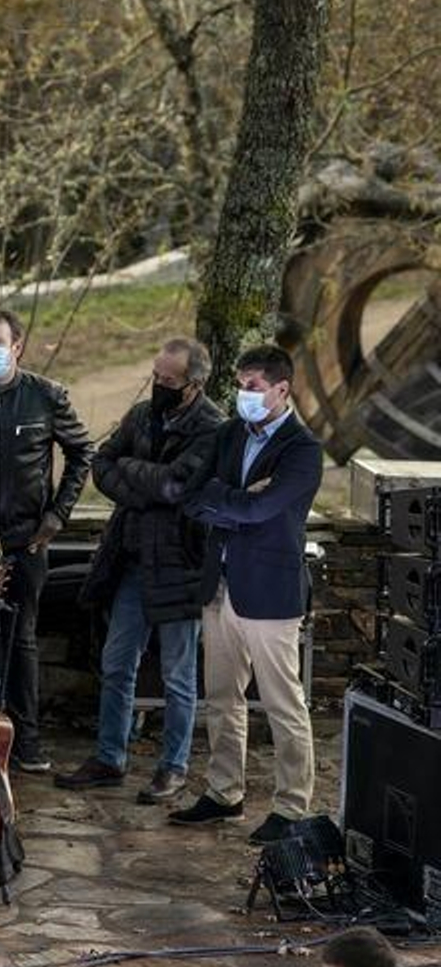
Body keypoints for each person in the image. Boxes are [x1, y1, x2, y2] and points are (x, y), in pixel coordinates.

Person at [57, 339, 223, 804]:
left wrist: (135, 474)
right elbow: (101, 463)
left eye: (169, 382)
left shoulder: (213, 428)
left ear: (194, 385)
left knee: (177, 675)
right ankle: (110, 756)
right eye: (157, 377)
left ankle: (173, 767)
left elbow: (177, 488)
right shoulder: (142, 414)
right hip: (129, 560)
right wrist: (143, 481)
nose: (159, 386)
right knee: (116, 663)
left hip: (178, 565)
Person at [171, 345, 323, 844]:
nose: (243, 395)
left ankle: (291, 806)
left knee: (283, 704)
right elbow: (192, 497)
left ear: (282, 389)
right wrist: (239, 500)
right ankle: (223, 793)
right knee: (220, 697)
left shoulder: (303, 450)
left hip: (269, 593)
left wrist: (232, 503)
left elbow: (265, 513)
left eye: (253, 387)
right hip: (220, 587)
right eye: (240, 385)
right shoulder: (230, 433)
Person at [0, 308, 93, 773]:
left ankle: (26, 739)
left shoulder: (46, 397)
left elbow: (82, 452)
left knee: (22, 639)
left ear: (17, 347)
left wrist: (57, 515)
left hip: (26, 538)